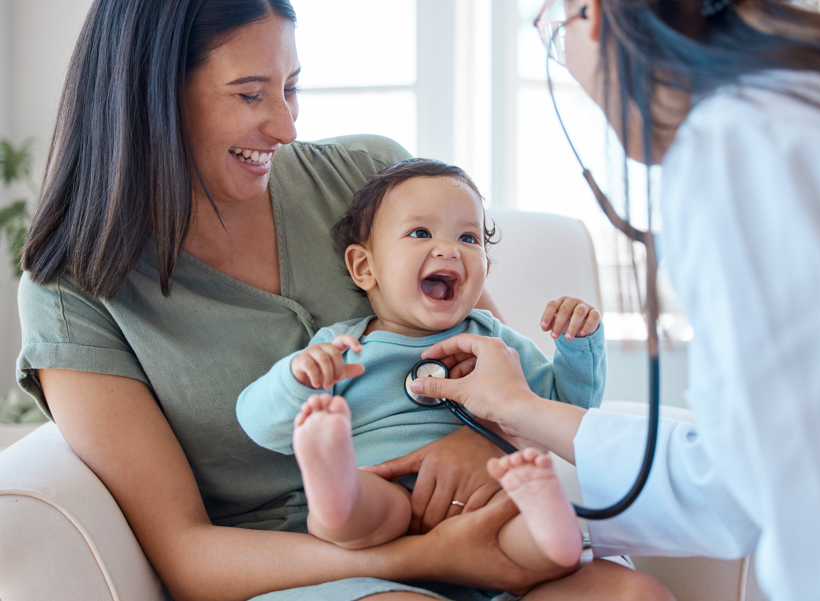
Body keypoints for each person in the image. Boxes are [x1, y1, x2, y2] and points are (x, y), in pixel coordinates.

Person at [14, 1, 674, 600]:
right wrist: (420, 557)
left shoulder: (368, 178)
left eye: (291, 87)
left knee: (632, 596)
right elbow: (188, 553)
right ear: (151, 97)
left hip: (478, 522)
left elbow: (493, 368)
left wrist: (483, 448)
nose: (284, 125)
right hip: (311, 571)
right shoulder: (73, 292)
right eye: (250, 94)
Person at [388, 1, 820, 600]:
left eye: (557, 31)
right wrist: (520, 412)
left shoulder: (745, 149)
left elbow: (812, 502)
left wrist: (522, 415)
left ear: (596, 16)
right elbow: (751, 472)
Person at [237, 158, 605, 571]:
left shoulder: (494, 341)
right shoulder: (342, 348)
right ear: (365, 267)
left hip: (487, 496)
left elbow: (564, 409)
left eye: (469, 237)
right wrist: (296, 379)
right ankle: (334, 482)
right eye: (420, 232)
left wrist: (577, 345)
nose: (450, 248)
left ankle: (550, 524)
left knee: (529, 541)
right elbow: (259, 424)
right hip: (384, 489)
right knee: (354, 514)